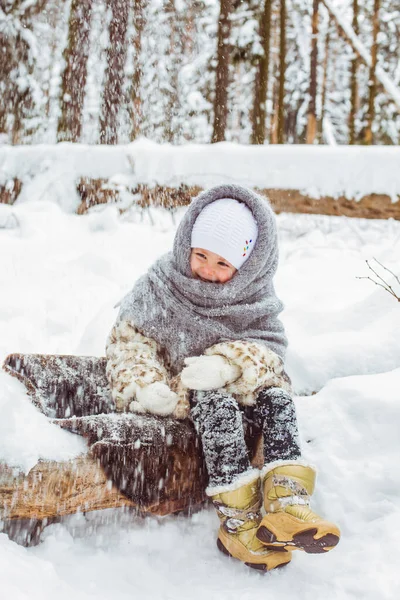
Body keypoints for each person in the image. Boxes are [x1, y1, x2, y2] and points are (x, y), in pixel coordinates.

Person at [106, 184, 340, 572]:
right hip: (187, 395)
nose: (208, 271)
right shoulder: (159, 288)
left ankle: (288, 502)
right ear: (186, 246)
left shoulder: (254, 298)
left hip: (242, 392)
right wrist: (145, 388)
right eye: (201, 256)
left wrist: (231, 363)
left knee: (279, 399)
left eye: (224, 264)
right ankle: (237, 521)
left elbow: (270, 354)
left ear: (247, 266)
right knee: (215, 402)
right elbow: (129, 346)